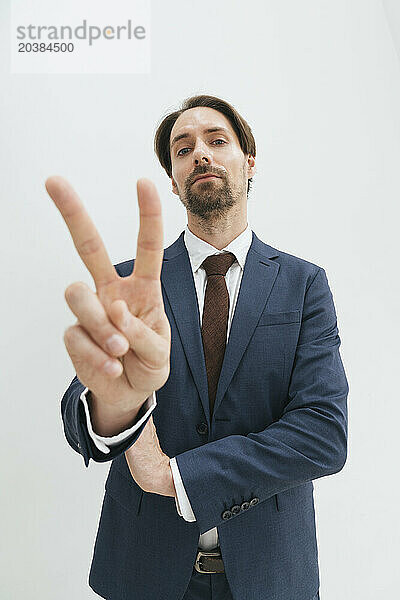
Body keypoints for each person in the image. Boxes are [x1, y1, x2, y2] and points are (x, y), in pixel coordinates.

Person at [47, 94, 348, 600]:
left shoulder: (304, 285)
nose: (200, 154)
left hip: (269, 573)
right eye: (182, 150)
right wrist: (120, 409)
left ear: (248, 161)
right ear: (173, 180)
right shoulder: (132, 283)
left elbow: (323, 434)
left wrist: (178, 476)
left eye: (216, 141)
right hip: (143, 570)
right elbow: (84, 415)